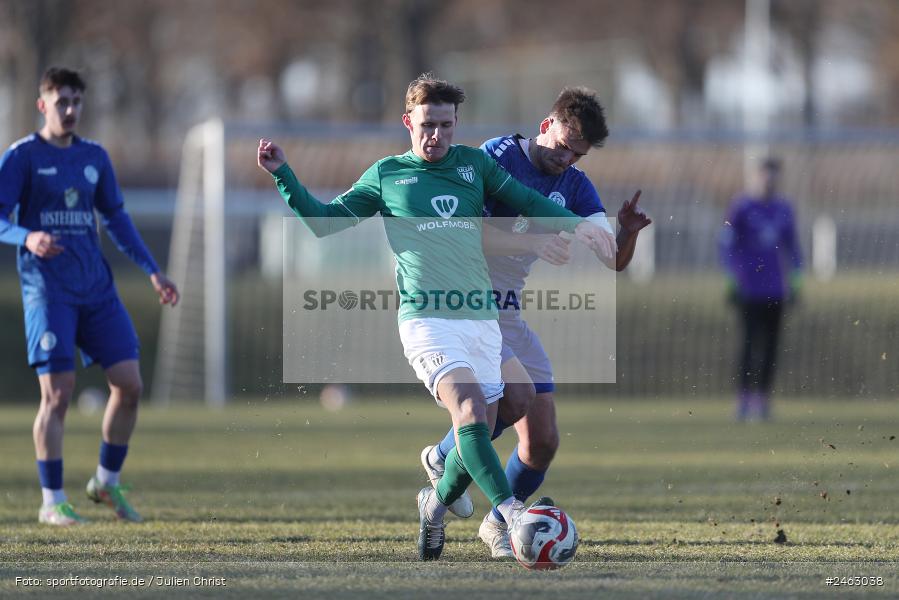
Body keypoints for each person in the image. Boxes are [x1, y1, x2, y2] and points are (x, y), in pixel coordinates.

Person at [256, 73, 616, 561]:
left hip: (481, 318)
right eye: (427, 125)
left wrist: (582, 227)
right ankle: (510, 515)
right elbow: (324, 222)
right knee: (470, 411)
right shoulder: (386, 174)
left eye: (446, 125)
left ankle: (435, 501)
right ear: (409, 122)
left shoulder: (474, 165)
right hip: (428, 319)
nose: (436, 136)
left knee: (517, 399)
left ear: (455, 124)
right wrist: (283, 174)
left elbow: (530, 202)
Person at [419, 87, 652, 558]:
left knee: (543, 440)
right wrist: (530, 240)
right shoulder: (494, 157)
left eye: (577, 154)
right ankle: (449, 463)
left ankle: (489, 519)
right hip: (467, 305)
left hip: (508, 313)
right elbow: (463, 234)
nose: (566, 159)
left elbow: (613, 261)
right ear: (546, 125)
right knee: (499, 406)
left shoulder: (576, 185)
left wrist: (625, 233)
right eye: (563, 145)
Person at [0, 67, 179, 526]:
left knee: (131, 385)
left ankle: (104, 481)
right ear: (43, 105)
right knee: (58, 396)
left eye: (77, 101)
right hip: (48, 292)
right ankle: (51, 501)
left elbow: (116, 219)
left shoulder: (95, 157)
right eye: (62, 101)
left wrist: (153, 271)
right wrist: (26, 236)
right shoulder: (21, 157)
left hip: (96, 291)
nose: (71, 110)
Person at [720, 157, 802, 421]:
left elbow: (794, 247)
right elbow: (727, 245)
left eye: (773, 176)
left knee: (771, 347)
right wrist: (732, 279)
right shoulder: (741, 207)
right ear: (756, 177)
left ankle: (762, 401)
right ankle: (743, 400)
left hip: (776, 289)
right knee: (748, 344)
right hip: (749, 289)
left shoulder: (784, 208)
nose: (768, 181)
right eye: (764, 175)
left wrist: (797, 281)